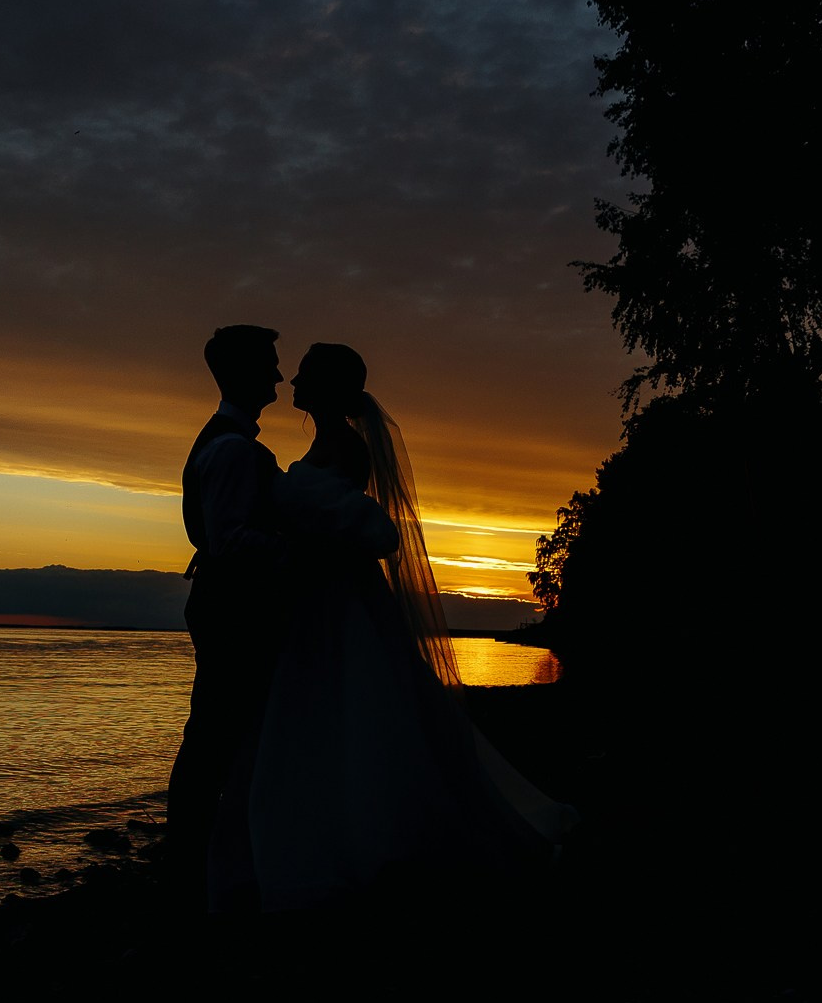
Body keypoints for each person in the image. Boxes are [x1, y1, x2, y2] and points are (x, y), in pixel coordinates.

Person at [208, 342, 576, 913]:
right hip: (316, 603)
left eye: (303, 373)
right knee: (326, 715)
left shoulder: (346, 448)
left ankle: (359, 842)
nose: (293, 381)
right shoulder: (326, 444)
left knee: (349, 712)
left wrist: (305, 533)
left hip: (336, 604)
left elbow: (370, 529)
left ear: (326, 388)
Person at [166, 324, 287, 908]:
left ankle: (200, 854)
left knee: (219, 733)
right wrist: (302, 551)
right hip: (232, 611)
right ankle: (189, 862)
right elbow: (229, 539)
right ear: (242, 373)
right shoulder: (234, 449)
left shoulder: (228, 443)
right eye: (269, 364)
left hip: (227, 606)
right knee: (215, 735)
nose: (279, 376)